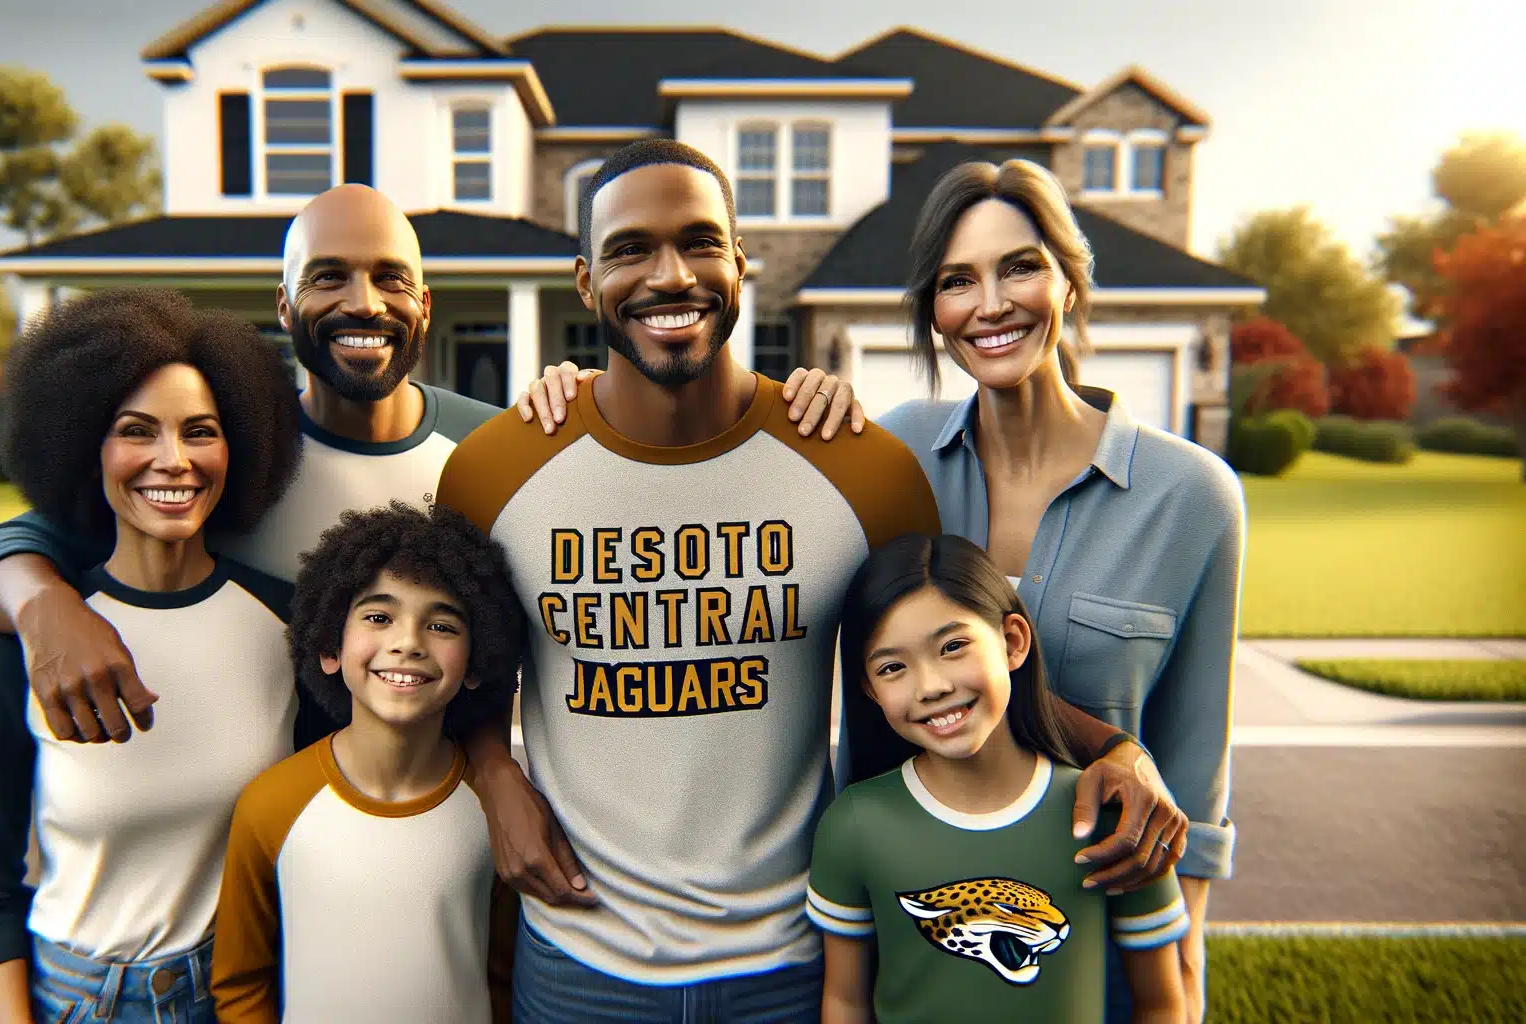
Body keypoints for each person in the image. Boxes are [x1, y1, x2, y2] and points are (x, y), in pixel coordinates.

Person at [434, 138, 1187, 1022]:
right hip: (578, 958)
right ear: (585, 279)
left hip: (793, 960)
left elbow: (953, 672)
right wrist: (493, 773)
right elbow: (461, 678)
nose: (670, 274)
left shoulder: (853, 463)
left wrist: (1117, 750)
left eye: (700, 241)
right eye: (631, 248)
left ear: (741, 263)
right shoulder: (498, 470)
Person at [0, 184, 863, 748]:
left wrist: (801, 409)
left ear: (424, 301)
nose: (363, 303)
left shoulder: (499, 449)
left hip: (448, 833)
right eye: (328, 277)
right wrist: (39, 601)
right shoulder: (229, 455)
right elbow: (29, 536)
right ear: (283, 302)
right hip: (265, 835)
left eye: (390, 277)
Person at [874, 158, 1244, 1023]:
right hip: (912, 931)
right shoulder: (893, 461)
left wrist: (1178, 976)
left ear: (1069, 282)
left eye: (1021, 267)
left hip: (1096, 951)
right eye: (957, 280)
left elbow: (1194, 773)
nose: (991, 304)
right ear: (934, 309)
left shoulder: (1193, 497)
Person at [0, 288, 311, 1023]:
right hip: (77, 999)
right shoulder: (19, 651)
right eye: (136, 431)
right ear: (86, 446)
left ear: (238, 444)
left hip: (244, 991)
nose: (172, 461)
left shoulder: (293, 627)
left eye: (200, 431)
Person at [808, 532, 1188, 1024]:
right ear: (870, 688)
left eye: (953, 646)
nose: (932, 686)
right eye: (893, 667)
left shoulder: (1111, 817)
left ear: (1012, 642)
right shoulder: (854, 826)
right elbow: (845, 1002)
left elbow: (1161, 1004)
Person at [210, 501, 527, 1024]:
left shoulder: (494, 811)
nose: (407, 643)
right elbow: (242, 985)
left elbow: (503, 977)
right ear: (331, 647)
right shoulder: (271, 806)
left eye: (443, 625)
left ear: (477, 663)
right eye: (379, 617)